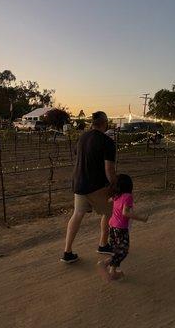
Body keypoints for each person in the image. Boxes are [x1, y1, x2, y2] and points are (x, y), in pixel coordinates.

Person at [60, 111, 117, 263]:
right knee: (110, 211)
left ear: (93, 123)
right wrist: (114, 186)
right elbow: (109, 169)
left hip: (79, 182)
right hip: (95, 185)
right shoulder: (107, 142)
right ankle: (103, 244)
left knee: (77, 214)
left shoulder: (82, 137)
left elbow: (78, 155)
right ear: (105, 123)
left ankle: (67, 252)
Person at [98, 174, 148, 281]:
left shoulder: (117, 195)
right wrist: (141, 218)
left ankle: (113, 272)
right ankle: (104, 263)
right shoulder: (128, 197)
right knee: (123, 251)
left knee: (116, 249)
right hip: (121, 228)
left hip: (112, 226)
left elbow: (108, 200)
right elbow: (125, 213)